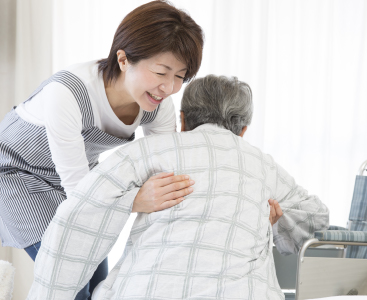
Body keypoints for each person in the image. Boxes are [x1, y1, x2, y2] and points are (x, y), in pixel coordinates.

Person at [27, 75, 329, 299]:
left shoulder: (150, 151)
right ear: (244, 131)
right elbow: (316, 217)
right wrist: (280, 219)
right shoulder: (263, 165)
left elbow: (81, 211)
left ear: (182, 121)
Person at [0, 1, 203, 298]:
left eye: (180, 76)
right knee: (71, 282)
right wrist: (133, 200)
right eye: (161, 72)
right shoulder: (68, 93)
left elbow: (166, 170)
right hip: (16, 174)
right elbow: (80, 192)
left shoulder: (158, 106)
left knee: (101, 286)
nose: (169, 87)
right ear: (123, 59)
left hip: (81, 179)